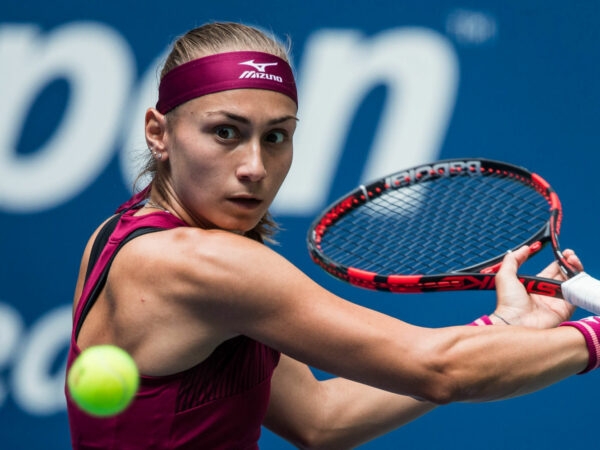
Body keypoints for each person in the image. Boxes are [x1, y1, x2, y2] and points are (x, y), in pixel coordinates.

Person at [65, 21, 598, 450]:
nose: (254, 165)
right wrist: (591, 339)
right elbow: (441, 370)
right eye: (225, 132)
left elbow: (322, 421)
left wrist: (500, 326)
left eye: (276, 137)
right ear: (159, 133)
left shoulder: (119, 234)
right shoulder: (203, 265)